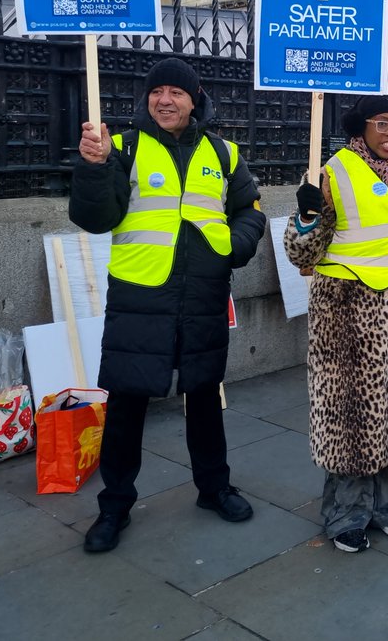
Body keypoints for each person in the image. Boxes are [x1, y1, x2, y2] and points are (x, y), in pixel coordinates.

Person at [70, 57, 267, 553]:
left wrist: (232, 247)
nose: (165, 100)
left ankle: (214, 488)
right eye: (157, 91)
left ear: (194, 97)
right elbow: (96, 219)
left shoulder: (222, 152)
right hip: (140, 296)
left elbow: (249, 210)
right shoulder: (121, 148)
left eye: (176, 92)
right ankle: (114, 506)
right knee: (127, 404)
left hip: (202, 294)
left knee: (203, 397)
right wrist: (93, 170)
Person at [284, 93, 388, 552]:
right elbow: (302, 254)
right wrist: (306, 217)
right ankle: (346, 512)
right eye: (383, 124)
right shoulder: (333, 171)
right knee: (353, 415)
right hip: (350, 316)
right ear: (362, 127)